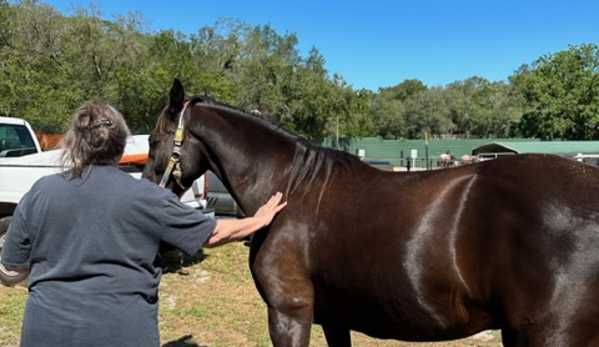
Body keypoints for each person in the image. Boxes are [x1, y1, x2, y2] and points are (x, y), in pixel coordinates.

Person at [0, 101, 287, 347]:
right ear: (121, 145)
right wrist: (258, 220)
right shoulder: (146, 196)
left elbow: (12, 264)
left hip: (46, 332)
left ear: (73, 141)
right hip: (119, 333)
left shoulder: (40, 191)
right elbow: (211, 234)